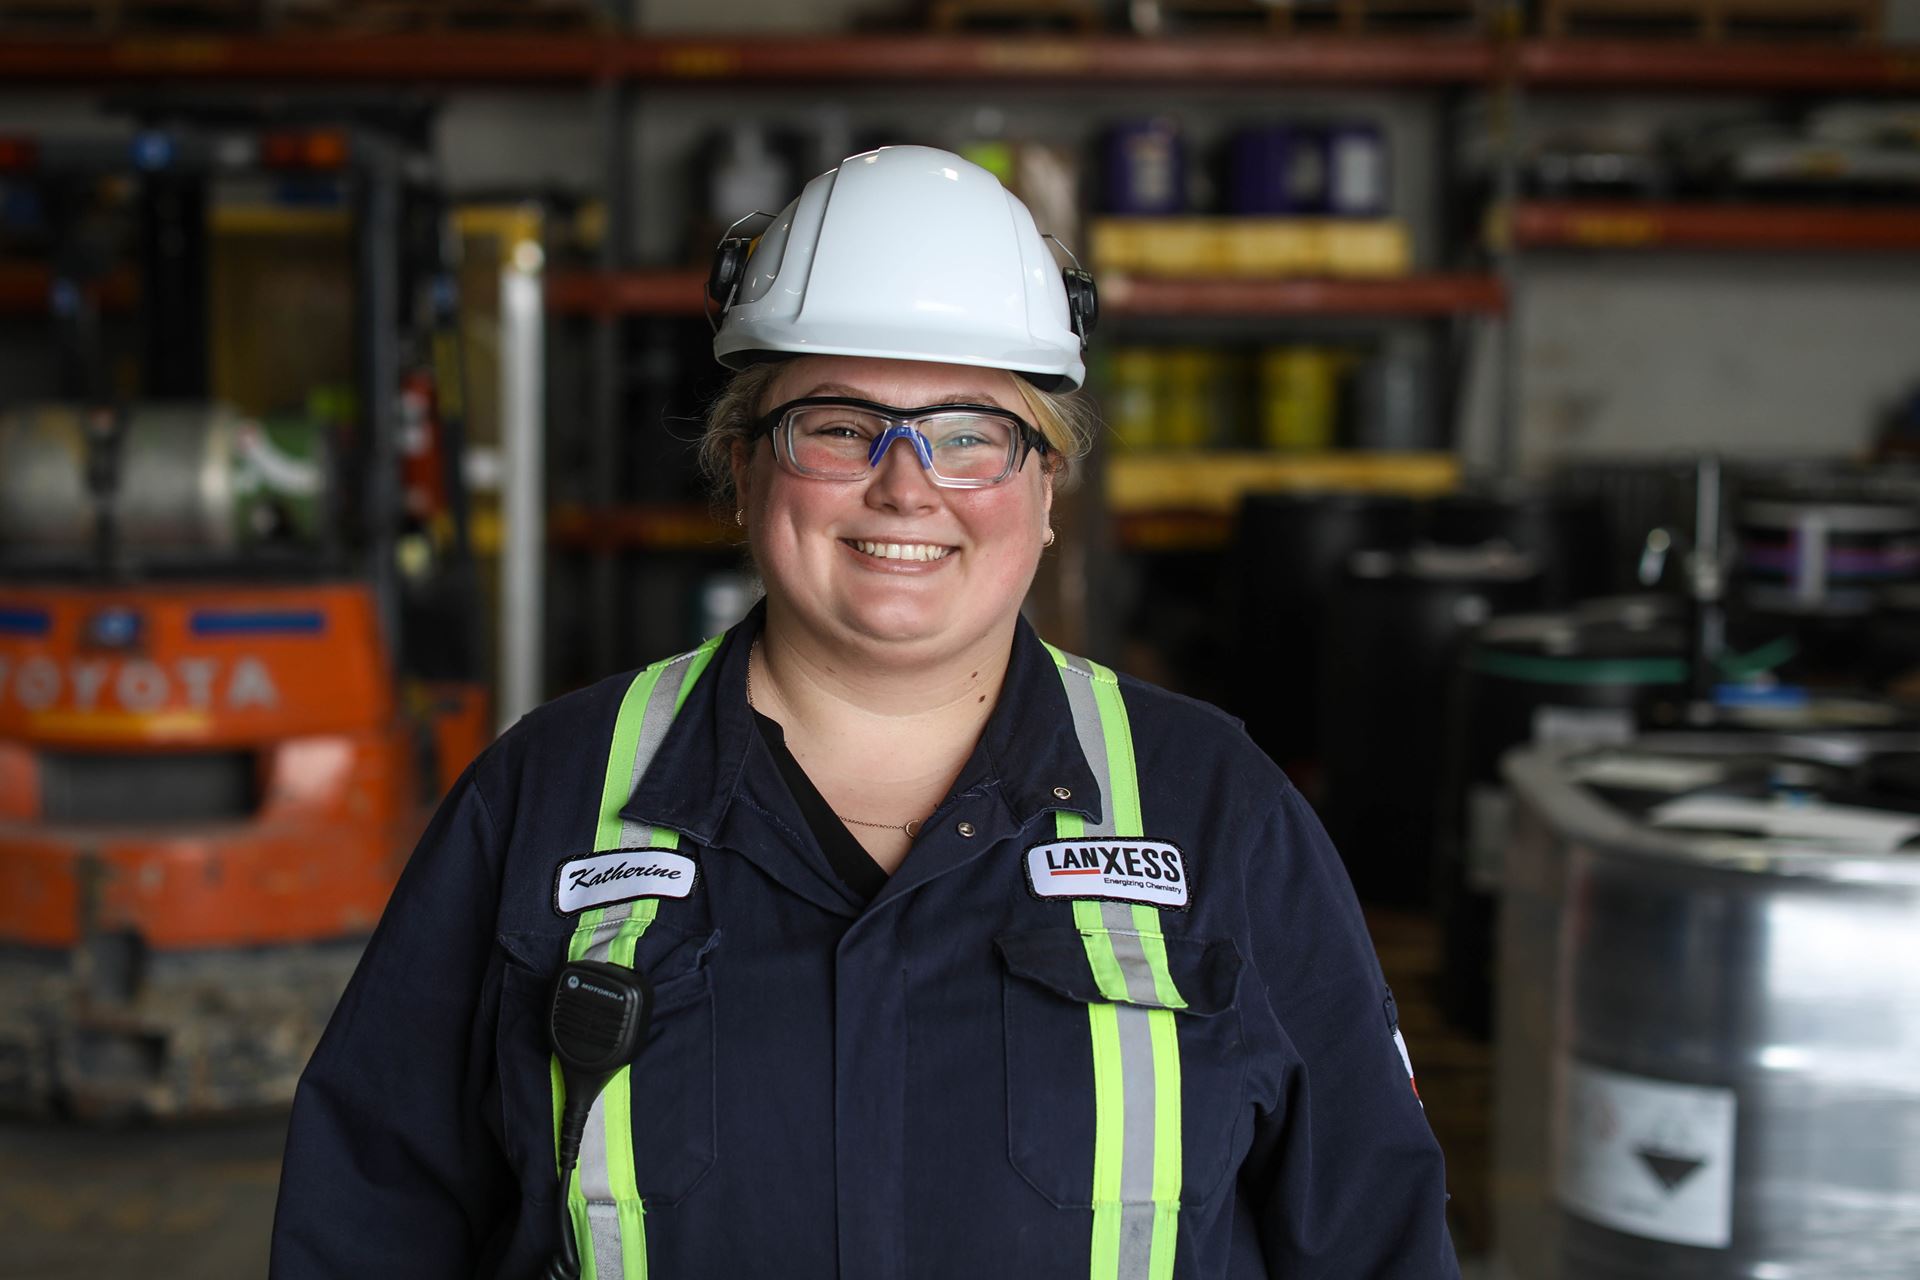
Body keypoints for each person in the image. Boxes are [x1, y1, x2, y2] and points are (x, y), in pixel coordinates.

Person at [270, 145, 1458, 1280]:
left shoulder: (1215, 809)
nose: (906, 483)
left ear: (1047, 488)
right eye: (837, 425)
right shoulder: (545, 799)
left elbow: (1370, 1233)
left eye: (969, 435)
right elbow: (369, 1215)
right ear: (742, 468)